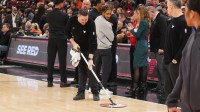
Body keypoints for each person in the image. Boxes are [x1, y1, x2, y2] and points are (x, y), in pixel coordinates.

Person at [166, 0, 200, 111]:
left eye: (185, 10)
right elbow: (182, 74)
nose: (183, 13)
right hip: (187, 108)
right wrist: (172, 101)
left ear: (192, 14)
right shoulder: (192, 37)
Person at [66, 8, 99, 101]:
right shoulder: (72, 20)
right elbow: (67, 33)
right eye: (82, 20)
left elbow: (93, 42)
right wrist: (74, 43)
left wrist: (90, 59)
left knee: (91, 70)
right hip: (78, 47)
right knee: (81, 71)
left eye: (86, 19)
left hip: (89, 48)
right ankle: (80, 93)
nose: (84, 21)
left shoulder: (91, 23)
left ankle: (95, 93)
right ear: (78, 16)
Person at [163, 0, 192, 97]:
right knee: (168, 90)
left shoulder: (184, 21)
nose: (167, 9)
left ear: (171, 6)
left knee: (179, 90)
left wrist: (176, 59)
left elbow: (186, 42)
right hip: (167, 61)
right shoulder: (170, 21)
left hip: (176, 63)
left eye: (167, 7)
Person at [126, 5, 149, 95]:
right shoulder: (144, 22)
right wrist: (132, 32)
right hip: (142, 45)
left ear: (140, 14)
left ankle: (135, 87)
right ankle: (142, 86)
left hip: (140, 45)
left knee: (136, 66)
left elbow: (138, 35)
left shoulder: (143, 22)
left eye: (136, 13)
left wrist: (131, 29)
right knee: (142, 66)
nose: (134, 14)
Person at [46, 0, 69, 87]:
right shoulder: (64, 15)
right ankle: (63, 81)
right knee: (62, 60)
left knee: (50, 60)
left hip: (51, 38)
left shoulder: (49, 14)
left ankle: (49, 81)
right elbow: (67, 27)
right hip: (61, 39)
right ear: (60, 3)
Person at [148, 6, 168, 96]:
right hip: (156, 48)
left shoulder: (161, 19)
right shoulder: (156, 19)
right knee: (158, 69)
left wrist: (162, 47)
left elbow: (164, 34)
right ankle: (159, 86)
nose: (148, 16)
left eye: (148, 14)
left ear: (152, 11)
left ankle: (165, 88)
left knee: (161, 68)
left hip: (160, 49)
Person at [95, 5, 114, 94]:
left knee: (96, 68)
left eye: (110, 14)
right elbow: (112, 37)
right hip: (105, 48)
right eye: (107, 14)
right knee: (106, 69)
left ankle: (92, 87)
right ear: (102, 12)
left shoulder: (97, 19)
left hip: (98, 47)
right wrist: (110, 27)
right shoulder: (106, 23)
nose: (109, 15)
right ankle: (104, 88)